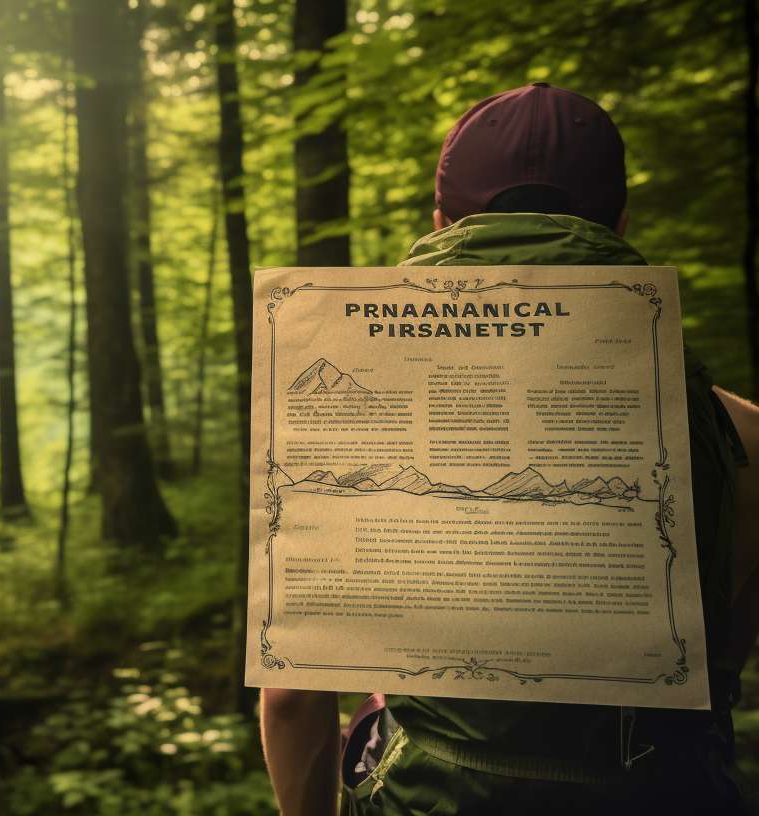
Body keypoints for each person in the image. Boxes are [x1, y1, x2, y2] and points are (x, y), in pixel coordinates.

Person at [259, 83, 759, 815]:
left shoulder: (348, 426)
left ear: (439, 224)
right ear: (621, 223)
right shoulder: (741, 436)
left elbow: (290, 700)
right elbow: (720, 672)